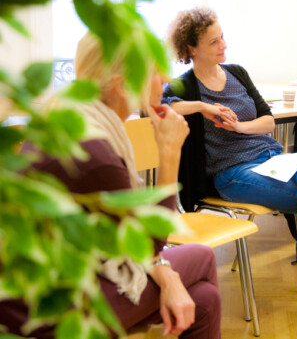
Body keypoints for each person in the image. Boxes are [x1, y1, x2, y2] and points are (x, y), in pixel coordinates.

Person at [0, 33, 221, 338]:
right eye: (155, 71)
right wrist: (169, 152)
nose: (165, 79)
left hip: (42, 282)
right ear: (121, 84)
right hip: (45, 309)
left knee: (203, 299)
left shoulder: (68, 116)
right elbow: (147, 245)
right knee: (202, 257)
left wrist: (168, 277)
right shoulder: (96, 154)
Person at [161, 7, 297, 331]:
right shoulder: (185, 85)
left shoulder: (237, 72)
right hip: (232, 173)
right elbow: (159, 106)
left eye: (222, 36)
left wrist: (239, 127)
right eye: (214, 41)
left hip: (269, 159)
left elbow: (268, 120)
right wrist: (202, 107)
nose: (223, 45)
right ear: (192, 49)